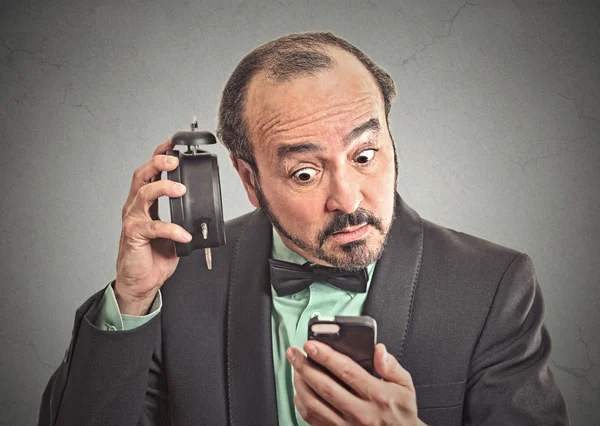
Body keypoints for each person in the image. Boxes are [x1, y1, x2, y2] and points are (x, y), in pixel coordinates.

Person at [38, 32, 570, 426]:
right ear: (249, 180)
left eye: (365, 155)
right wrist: (131, 299)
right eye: (305, 173)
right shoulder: (177, 281)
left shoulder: (493, 285)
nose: (348, 198)